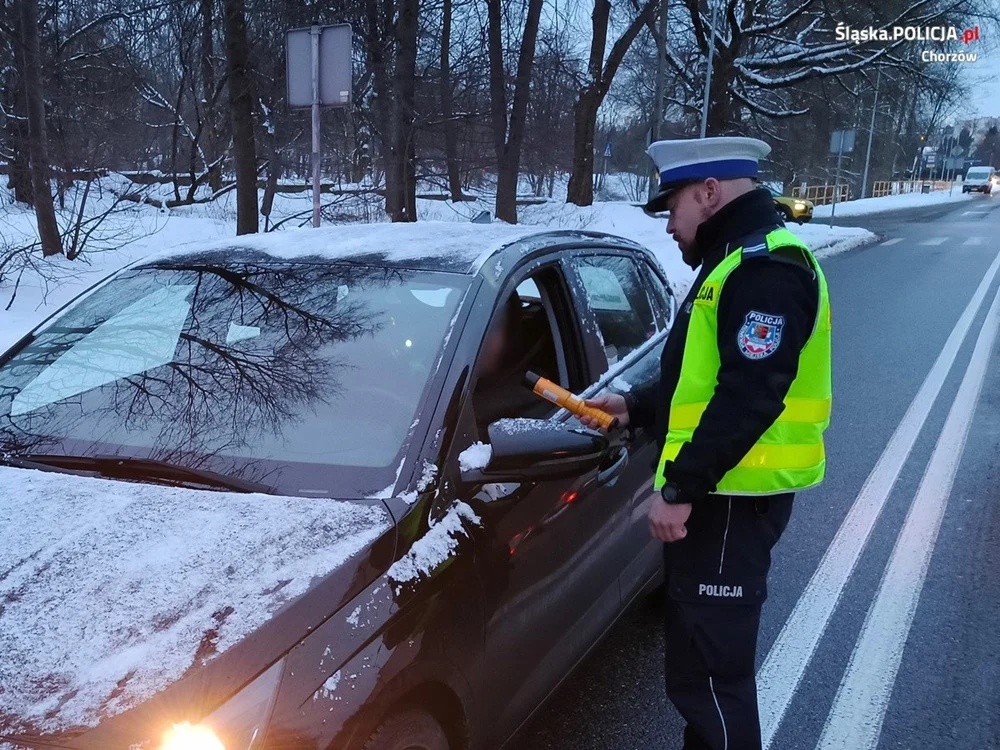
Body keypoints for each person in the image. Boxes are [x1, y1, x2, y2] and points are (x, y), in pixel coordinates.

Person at [581, 136, 832, 750]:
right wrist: (637, 405)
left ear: (710, 192)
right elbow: (707, 377)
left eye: (673, 208)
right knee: (700, 676)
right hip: (727, 498)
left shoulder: (765, 269)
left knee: (712, 685)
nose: (669, 225)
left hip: (728, 502)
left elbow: (750, 395)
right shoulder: (733, 263)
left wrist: (681, 488)